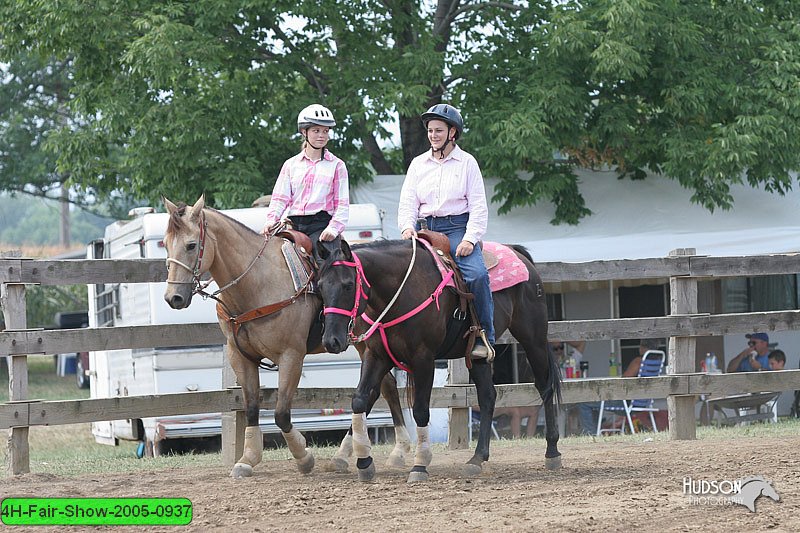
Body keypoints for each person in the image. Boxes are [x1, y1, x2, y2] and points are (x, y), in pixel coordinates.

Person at [398, 103, 494, 358]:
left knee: (476, 275)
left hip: (456, 230)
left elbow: (479, 207)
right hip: (424, 231)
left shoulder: (467, 163)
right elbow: (408, 202)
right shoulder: (418, 164)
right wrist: (407, 227)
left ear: (453, 133)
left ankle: (485, 336)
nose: (433, 135)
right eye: (430, 131)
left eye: (438, 130)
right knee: (400, 274)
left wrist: (470, 239)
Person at [262, 104, 349, 256]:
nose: (322, 135)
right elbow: (280, 198)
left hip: (321, 227)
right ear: (304, 132)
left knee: (331, 270)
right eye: (316, 131)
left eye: (325, 131)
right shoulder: (291, 165)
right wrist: (271, 220)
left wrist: (333, 229)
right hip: (293, 227)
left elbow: (342, 205)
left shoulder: (337, 166)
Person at [577, 338, 661, 435]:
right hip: (643, 402)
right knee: (594, 403)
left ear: (642, 347)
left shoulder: (639, 362)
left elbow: (623, 381)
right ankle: (594, 431)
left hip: (627, 403)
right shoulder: (655, 363)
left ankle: (590, 434)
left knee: (584, 402)